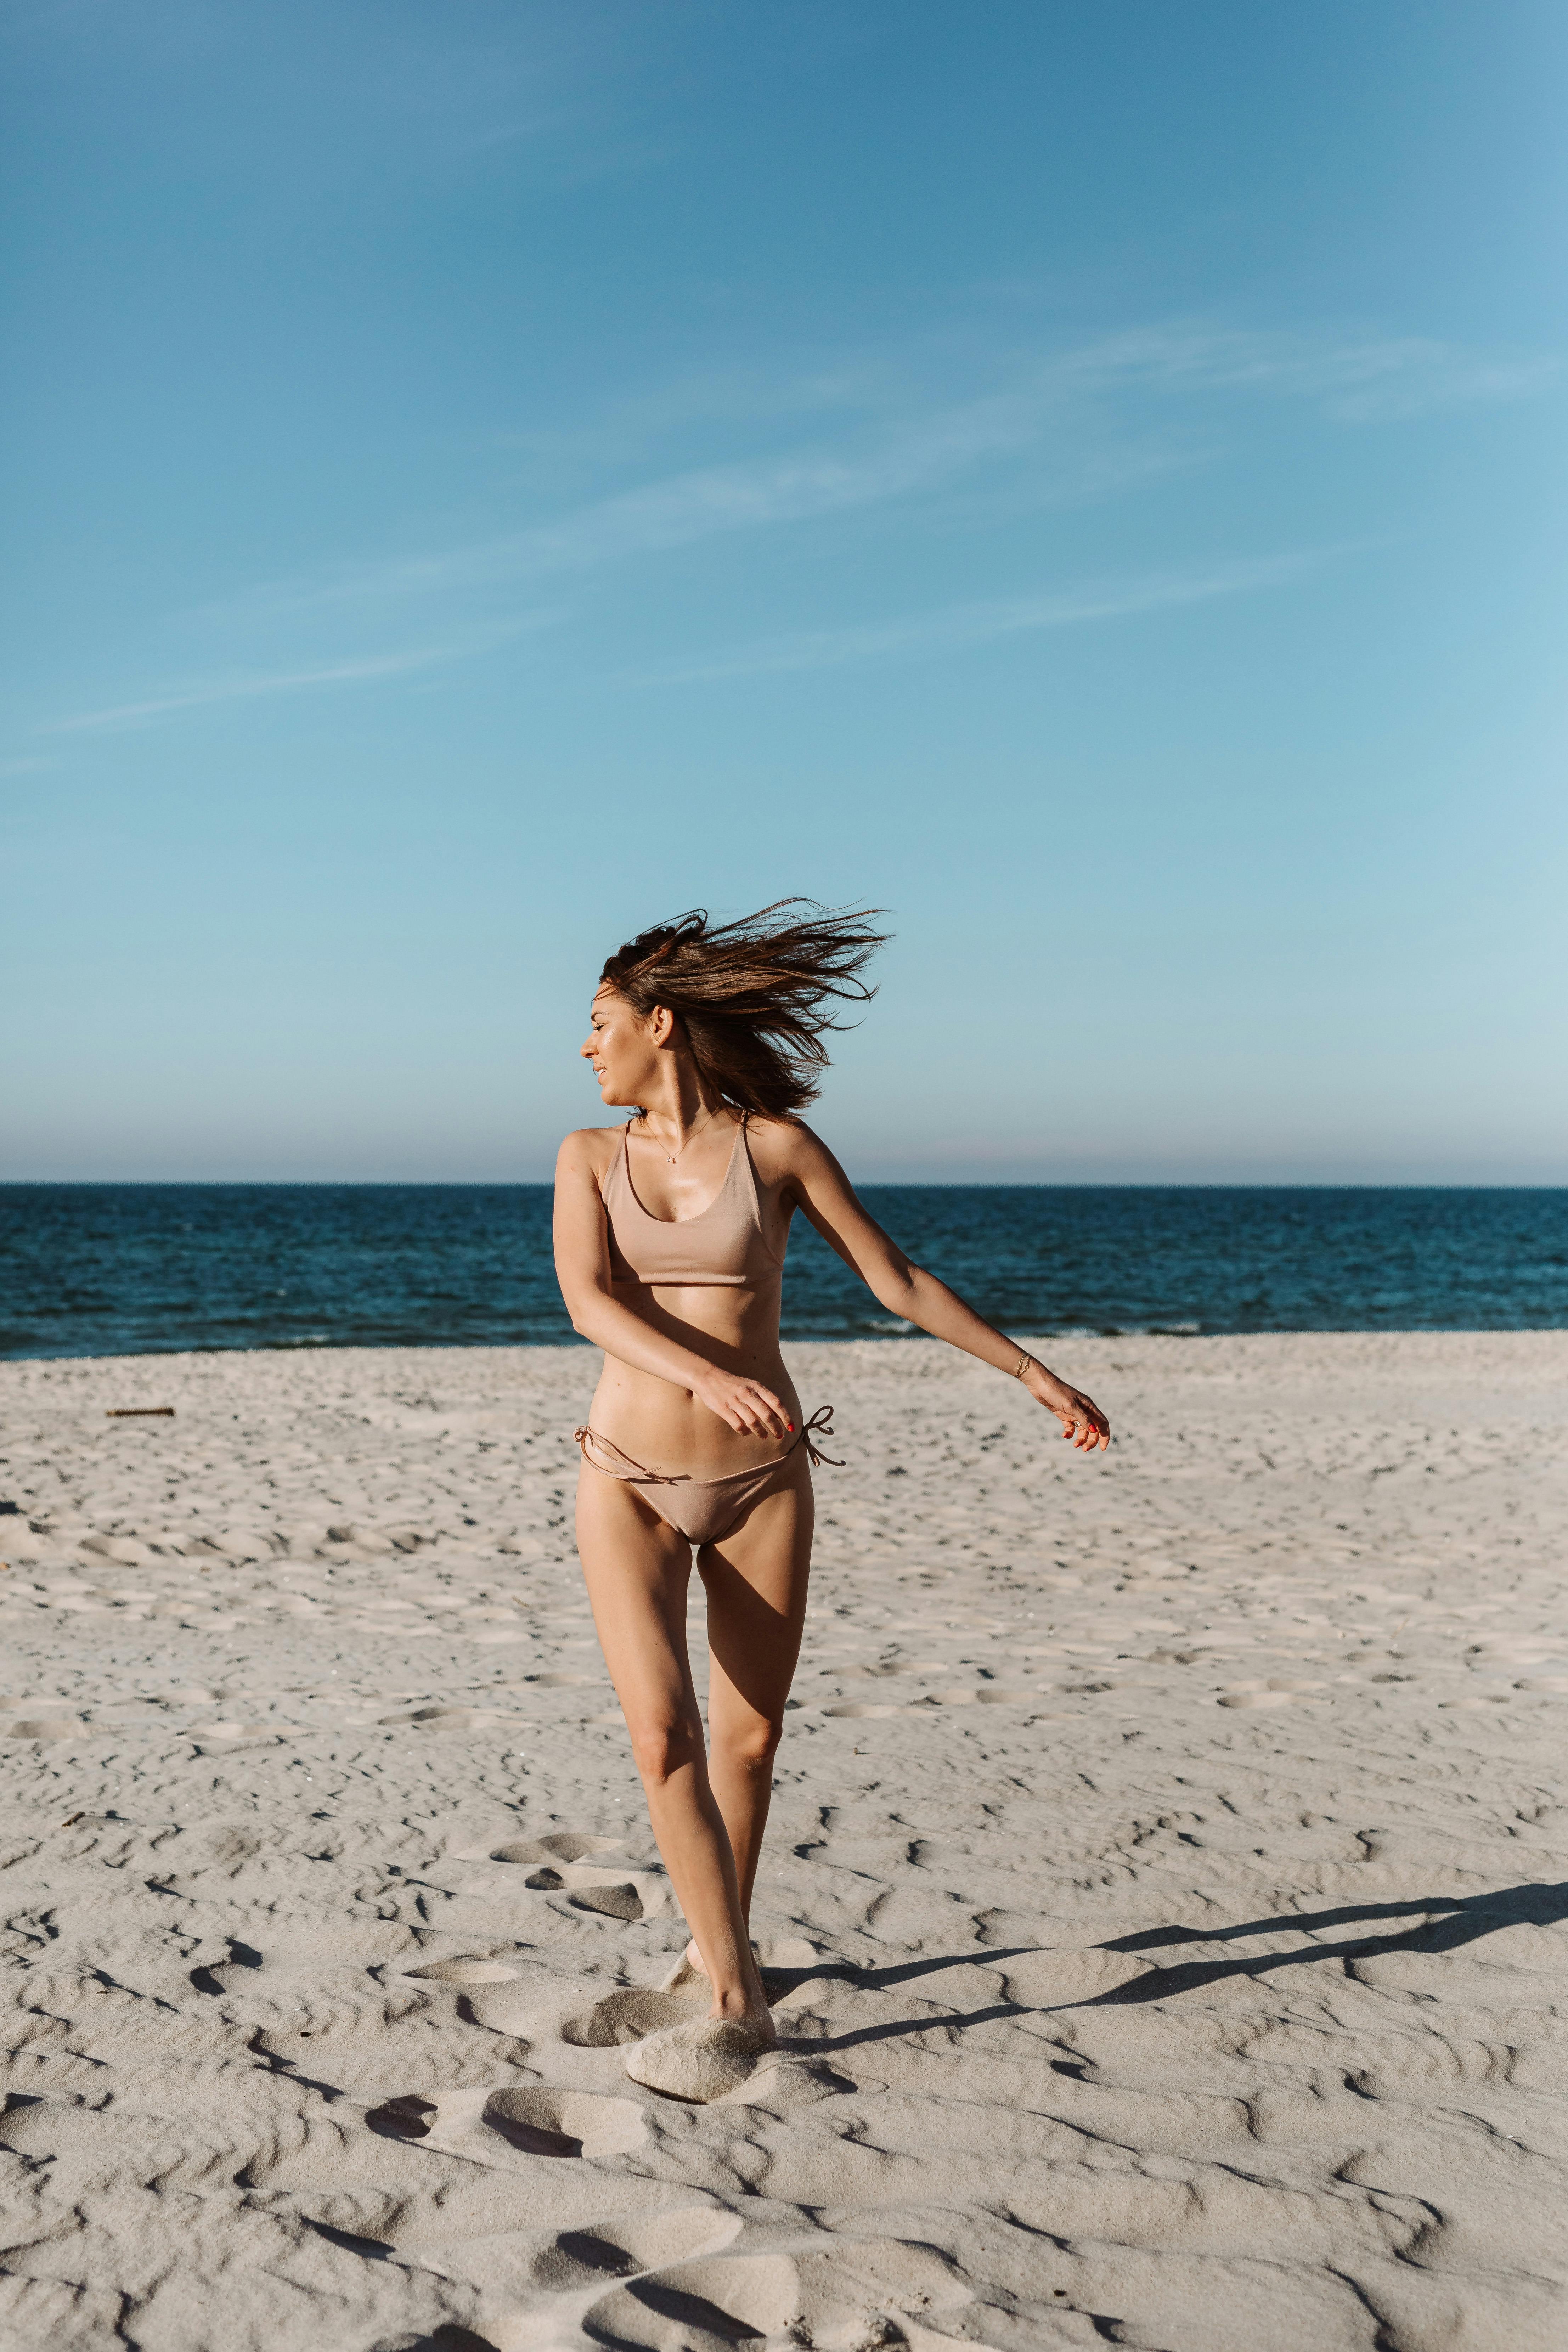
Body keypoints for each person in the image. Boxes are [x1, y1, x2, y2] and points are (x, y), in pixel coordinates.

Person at [552, 903, 1109, 2099]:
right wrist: (707, 1373)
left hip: (763, 1483)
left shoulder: (780, 1150)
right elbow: (590, 1302)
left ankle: (712, 1966)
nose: (585, 1050)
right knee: (665, 1738)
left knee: (748, 1741)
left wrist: (1034, 1373)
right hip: (627, 1479)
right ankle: (741, 2002)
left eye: (599, 1025)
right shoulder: (587, 1158)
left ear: (661, 1023)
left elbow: (896, 1280)